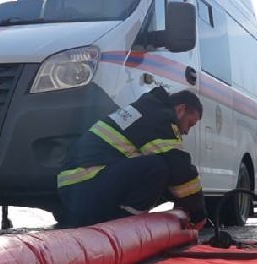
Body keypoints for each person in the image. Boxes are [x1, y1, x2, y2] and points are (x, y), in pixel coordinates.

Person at [57, 87, 207, 229]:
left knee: (163, 174)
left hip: (79, 186)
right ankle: (122, 224)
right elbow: (179, 168)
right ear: (180, 109)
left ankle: (103, 217)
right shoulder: (159, 118)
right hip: (84, 186)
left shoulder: (147, 111)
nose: (187, 131)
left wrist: (183, 204)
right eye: (189, 124)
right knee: (160, 166)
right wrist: (198, 215)